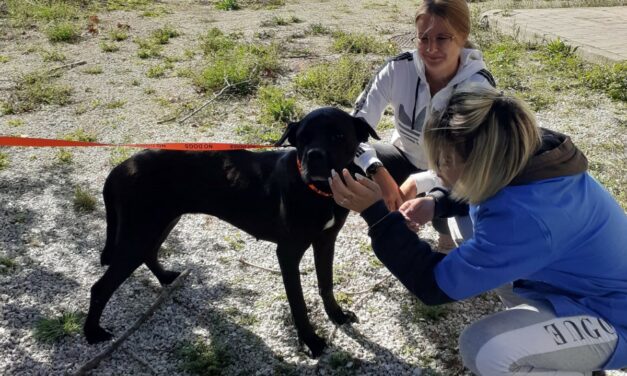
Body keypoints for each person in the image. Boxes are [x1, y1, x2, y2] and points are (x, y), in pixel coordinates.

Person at [330, 86, 627, 375]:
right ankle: (570, 354)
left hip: (613, 317)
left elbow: (432, 285)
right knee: (472, 238)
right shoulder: (522, 148)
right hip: (582, 287)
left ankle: (576, 363)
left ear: (482, 162)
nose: (439, 170)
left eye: (445, 160)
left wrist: (377, 216)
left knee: (485, 349)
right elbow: (484, 194)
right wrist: (437, 203)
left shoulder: (525, 218)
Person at [351, 0, 495, 250]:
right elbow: (352, 130)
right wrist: (376, 170)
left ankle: (446, 237)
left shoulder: (477, 86)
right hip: (405, 155)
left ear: (462, 36)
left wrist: (419, 183)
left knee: (464, 202)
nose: (431, 49)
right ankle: (388, 222)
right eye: (423, 38)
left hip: (453, 171)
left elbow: (473, 164)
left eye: (442, 38)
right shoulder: (397, 68)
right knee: (348, 158)